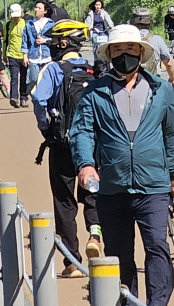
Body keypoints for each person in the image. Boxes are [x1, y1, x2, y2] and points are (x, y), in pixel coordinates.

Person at [70, 24, 174, 306]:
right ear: (109, 54)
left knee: (157, 246)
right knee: (120, 253)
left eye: (130, 49)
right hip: (112, 186)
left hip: (152, 184)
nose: (124, 55)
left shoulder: (162, 90)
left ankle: (158, 303)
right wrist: (85, 165)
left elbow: (171, 133)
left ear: (141, 53)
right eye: (118, 50)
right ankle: (129, 303)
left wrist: (173, 172)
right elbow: (82, 131)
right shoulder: (95, 93)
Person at [32, 20, 102, 276]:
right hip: (92, 145)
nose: (51, 46)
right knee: (93, 193)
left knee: (64, 200)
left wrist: (45, 127)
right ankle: (95, 234)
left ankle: (71, 260)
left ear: (62, 43)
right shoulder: (93, 70)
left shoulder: (53, 69)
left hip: (61, 144)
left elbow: (39, 98)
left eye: (52, 41)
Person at [128, 7, 174, 88]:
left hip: (130, 83)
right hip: (152, 82)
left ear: (133, 23)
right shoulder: (157, 39)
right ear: (149, 24)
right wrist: (172, 79)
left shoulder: (126, 40)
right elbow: (168, 63)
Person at [22, 0, 55, 90]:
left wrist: (45, 40)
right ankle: (36, 101)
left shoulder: (51, 24)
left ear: (45, 11)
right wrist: (25, 56)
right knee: (34, 81)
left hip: (47, 57)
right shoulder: (29, 24)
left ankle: (45, 102)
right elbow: (25, 40)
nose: (36, 9)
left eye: (39, 8)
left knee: (47, 81)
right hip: (33, 58)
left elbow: (55, 39)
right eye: (35, 7)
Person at [5, 3, 28, 107]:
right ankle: (14, 97)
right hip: (12, 54)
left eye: (17, 16)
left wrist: (27, 55)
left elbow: (29, 40)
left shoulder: (26, 24)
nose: (15, 18)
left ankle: (23, 98)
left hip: (24, 55)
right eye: (14, 16)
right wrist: (4, 55)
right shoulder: (8, 25)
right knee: (14, 78)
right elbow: (5, 40)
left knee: (24, 78)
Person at [85, 0, 113, 77]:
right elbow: (87, 24)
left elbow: (109, 22)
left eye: (99, 5)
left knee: (104, 48)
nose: (98, 6)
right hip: (95, 33)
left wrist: (110, 26)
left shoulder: (104, 13)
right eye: (96, 5)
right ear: (94, 5)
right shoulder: (91, 14)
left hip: (104, 32)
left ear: (101, 6)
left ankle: (106, 65)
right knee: (96, 48)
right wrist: (92, 28)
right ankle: (97, 66)